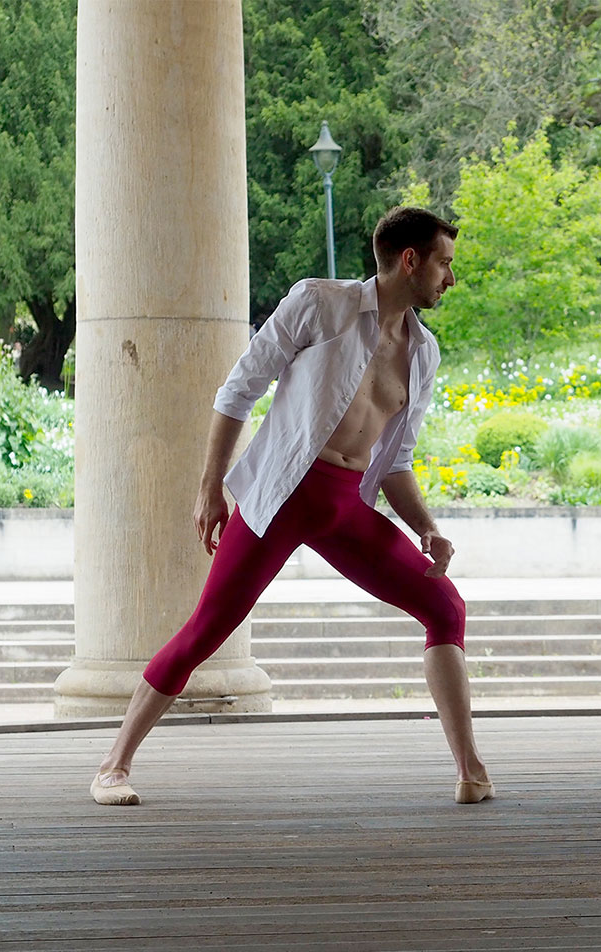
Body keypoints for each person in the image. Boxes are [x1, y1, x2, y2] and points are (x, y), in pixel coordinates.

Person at [90, 206, 492, 808]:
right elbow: (239, 388)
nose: (450, 280)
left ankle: (470, 771)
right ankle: (113, 766)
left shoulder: (423, 353)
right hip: (280, 495)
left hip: (344, 506)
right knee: (207, 629)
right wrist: (210, 487)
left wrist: (427, 527)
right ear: (411, 260)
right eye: (445, 264)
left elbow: (398, 460)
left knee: (444, 604)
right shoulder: (319, 303)